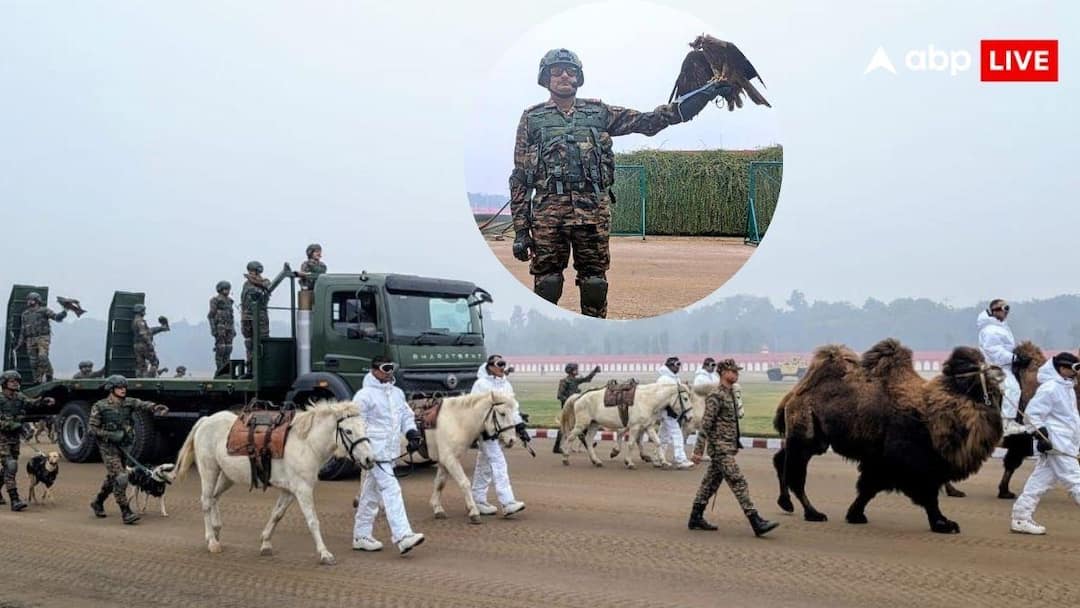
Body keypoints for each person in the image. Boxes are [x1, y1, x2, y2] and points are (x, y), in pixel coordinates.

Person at [508, 49, 726, 318]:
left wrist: (702, 96)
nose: (564, 75)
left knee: (595, 283)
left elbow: (648, 122)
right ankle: (544, 339)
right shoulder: (532, 119)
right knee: (547, 283)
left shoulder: (599, 113)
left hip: (593, 215)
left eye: (571, 70)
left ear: (579, 77)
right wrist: (520, 230)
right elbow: (519, 178)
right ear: (545, 78)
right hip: (548, 217)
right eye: (556, 70)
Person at [688, 359, 779, 536]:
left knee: (710, 484)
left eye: (737, 371)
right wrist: (698, 451)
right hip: (720, 448)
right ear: (723, 373)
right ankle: (755, 520)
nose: (737, 374)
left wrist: (734, 444)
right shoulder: (716, 396)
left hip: (726, 446)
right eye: (733, 371)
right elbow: (705, 425)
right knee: (738, 481)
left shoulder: (730, 394)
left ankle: (695, 517)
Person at [351, 356, 426, 555]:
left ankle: (361, 535)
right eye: (385, 368)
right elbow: (357, 426)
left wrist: (411, 433)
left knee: (370, 494)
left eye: (391, 368)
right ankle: (403, 536)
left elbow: (405, 416)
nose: (389, 372)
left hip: (390, 450)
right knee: (391, 489)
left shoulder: (397, 393)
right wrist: (365, 451)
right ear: (374, 370)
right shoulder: (363, 395)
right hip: (374, 452)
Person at [1010, 352, 1080, 535]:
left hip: (1066, 443)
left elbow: (1070, 418)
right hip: (1056, 443)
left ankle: (1020, 518)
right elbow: (1032, 414)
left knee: (1040, 482)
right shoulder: (1050, 388)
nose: (1076, 373)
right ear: (1062, 368)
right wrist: (1042, 437)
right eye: (1073, 369)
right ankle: (1021, 518)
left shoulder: (1067, 387)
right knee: (1075, 480)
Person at [88, 375, 168, 524]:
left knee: (113, 477)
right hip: (108, 447)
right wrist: (110, 435)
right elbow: (92, 429)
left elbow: (142, 404)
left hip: (124, 446)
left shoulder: (128, 403)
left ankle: (98, 502)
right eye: (119, 387)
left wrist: (155, 407)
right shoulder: (100, 406)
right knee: (121, 477)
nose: (123, 390)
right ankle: (126, 511)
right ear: (112, 389)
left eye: (124, 387)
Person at [470, 354, 526, 517]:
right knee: (499, 463)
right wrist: (482, 429)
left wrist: (519, 425)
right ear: (490, 367)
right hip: (486, 431)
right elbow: (474, 407)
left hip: (501, 430)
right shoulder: (481, 384)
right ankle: (507, 502)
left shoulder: (506, 385)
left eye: (503, 364)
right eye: (499, 364)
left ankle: (478, 500)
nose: (502, 367)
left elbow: (512, 408)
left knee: (485, 465)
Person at [0, 370, 55, 510]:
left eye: (17, 381)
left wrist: (44, 401)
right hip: (2, 438)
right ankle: (15, 499)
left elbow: (31, 403)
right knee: (11, 465)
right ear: (4, 383)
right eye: (12, 381)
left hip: (14, 438)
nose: (15, 383)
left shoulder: (19, 397)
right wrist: (11, 424)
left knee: (8, 468)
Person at [977, 299, 1023, 430]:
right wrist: (1014, 358)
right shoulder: (990, 330)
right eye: (1004, 309)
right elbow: (994, 352)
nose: (1007, 312)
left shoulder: (1001, 327)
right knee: (1013, 388)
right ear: (995, 311)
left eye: (1008, 309)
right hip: (997, 366)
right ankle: (1006, 423)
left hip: (1007, 364)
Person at [15, 292, 67, 383]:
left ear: (36, 300)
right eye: (28, 300)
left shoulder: (44, 310)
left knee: (43, 357)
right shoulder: (25, 314)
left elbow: (56, 317)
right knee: (33, 362)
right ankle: (37, 380)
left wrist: (64, 311)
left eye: (31, 299)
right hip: (30, 339)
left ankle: (49, 374)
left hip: (42, 337)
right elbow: (23, 330)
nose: (29, 301)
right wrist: (19, 343)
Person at [553, 362, 601, 454]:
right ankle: (557, 447)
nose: (577, 370)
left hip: (576, 407)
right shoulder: (564, 381)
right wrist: (569, 401)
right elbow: (559, 396)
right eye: (575, 369)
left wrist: (594, 372)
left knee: (580, 425)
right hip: (567, 408)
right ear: (571, 371)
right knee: (565, 427)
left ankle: (587, 444)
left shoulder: (575, 380)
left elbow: (587, 379)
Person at [655, 356, 693, 469]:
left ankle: (658, 458)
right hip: (668, 411)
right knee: (677, 434)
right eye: (677, 365)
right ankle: (680, 459)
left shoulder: (674, 378)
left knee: (663, 436)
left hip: (672, 411)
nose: (678, 368)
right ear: (670, 366)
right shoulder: (664, 379)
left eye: (679, 365)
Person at [240, 262, 271, 373]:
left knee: (262, 341)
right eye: (249, 272)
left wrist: (252, 279)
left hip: (260, 316)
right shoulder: (246, 284)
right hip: (247, 317)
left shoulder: (265, 281)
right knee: (249, 343)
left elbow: (266, 286)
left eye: (252, 271)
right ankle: (250, 369)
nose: (250, 274)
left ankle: (262, 369)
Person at [132, 304, 168, 378]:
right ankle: (149, 379)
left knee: (141, 366)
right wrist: (149, 344)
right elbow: (143, 334)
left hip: (136, 346)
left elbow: (148, 331)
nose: (144, 313)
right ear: (140, 311)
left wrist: (160, 328)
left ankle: (140, 380)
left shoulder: (134, 321)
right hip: (143, 345)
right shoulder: (140, 322)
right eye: (143, 311)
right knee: (155, 362)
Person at [208, 280, 236, 376]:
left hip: (229, 327)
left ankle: (226, 369)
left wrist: (233, 329)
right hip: (220, 327)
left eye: (228, 289)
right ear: (220, 289)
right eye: (224, 289)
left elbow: (232, 316)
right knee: (221, 349)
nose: (226, 291)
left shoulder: (230, 301)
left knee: (228, 349)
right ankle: (220, 370)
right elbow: (210, 316)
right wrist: (213, 329)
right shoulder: (215, 300)